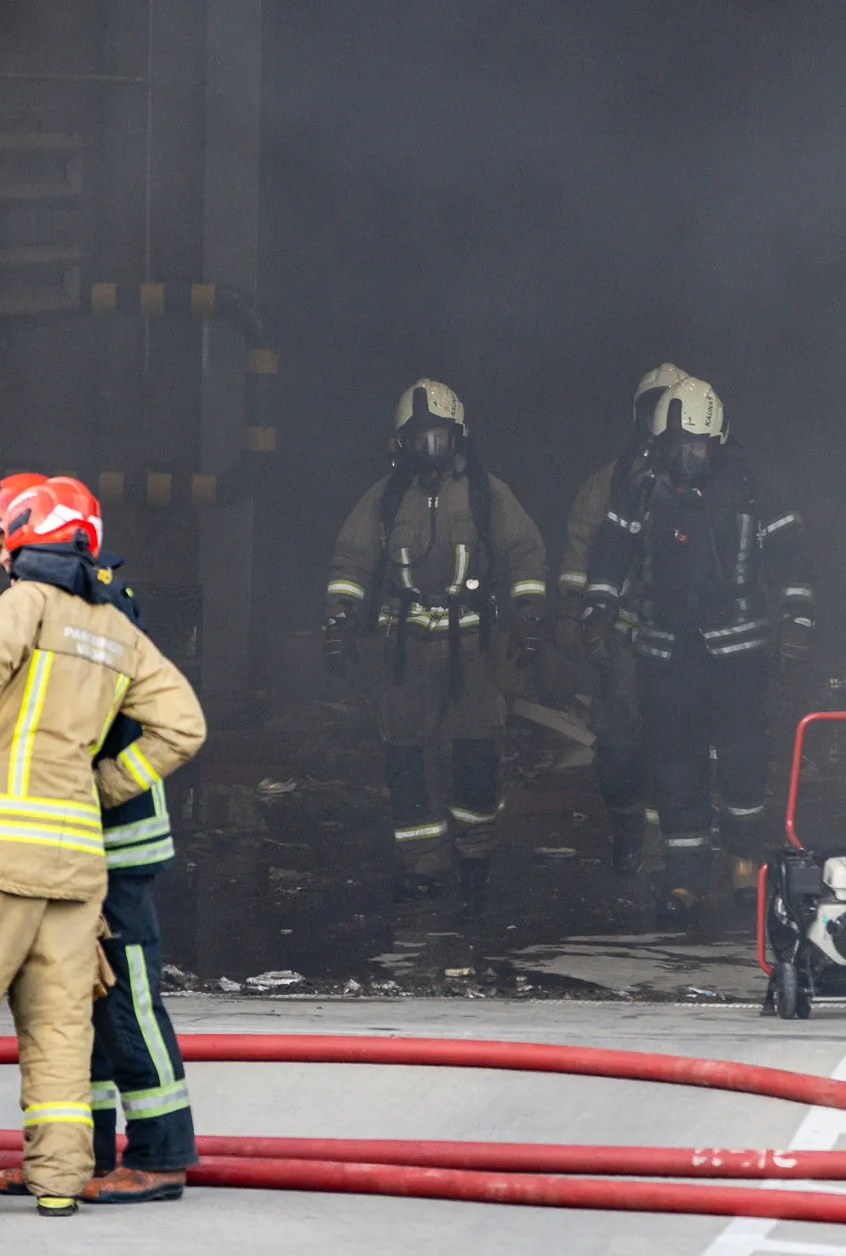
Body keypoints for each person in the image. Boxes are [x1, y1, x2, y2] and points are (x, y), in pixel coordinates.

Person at [0, 477, 206, 1218]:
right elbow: (184, 726)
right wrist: (101, 784)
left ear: (33, 535)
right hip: (77, 858)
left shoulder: (26, 605)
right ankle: (62, 1178)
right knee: (65, 1024)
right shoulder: (119, 626)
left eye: (3, 541)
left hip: (4, 853)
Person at [0, 471, 199, 1204]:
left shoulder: (103, 623)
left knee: (127, 1001)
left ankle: (161, 1155)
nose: (0, 562)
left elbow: (168, 732)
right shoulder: (53, 615)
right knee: (74, 1001)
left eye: (3, 545)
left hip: (117, 850)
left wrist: (101, 789)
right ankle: (89, 1153)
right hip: (67, 846)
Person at [583, 378, 814, 927]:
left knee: (742, 760)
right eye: (677, 446)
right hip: (666, 652)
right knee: (676, 766)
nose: (687, 456)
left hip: (739, 652)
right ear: (660, 445)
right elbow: (610, 555)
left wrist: (798, 619)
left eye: (699, 446)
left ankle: (743, 862)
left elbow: (792, 557)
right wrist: (597, 609)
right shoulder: (641, 492)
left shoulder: (754, 489)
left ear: (719, 442)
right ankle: (684, 876)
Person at [323, 379, 548, 905]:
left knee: (475, 755)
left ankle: (475, 853)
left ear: (459, 437)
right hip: (404, 651)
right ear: (402, 443)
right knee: (404, 759)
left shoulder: (487, 494)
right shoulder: (384, 499)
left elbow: (525, 555)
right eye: (420, 437)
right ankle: (422, 863)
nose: (431, 447)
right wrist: (338, 620)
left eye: (440, 436)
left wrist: (528, 617)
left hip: (473, 647)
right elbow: (351, 562)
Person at [555, 362, 687, 885]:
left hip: (682, 645)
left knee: (678, 747)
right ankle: (630, 830)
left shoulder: (703, 487)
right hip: (624, 644)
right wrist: (574, 619)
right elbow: (578, 556)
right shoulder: (607, 486)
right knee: (619, 748)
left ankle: (665, 849)